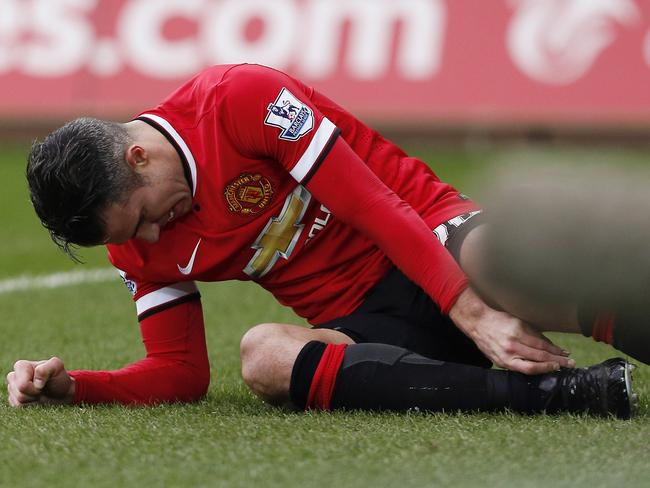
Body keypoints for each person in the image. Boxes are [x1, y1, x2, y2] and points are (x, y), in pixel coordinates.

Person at [8, 64, 642, 418]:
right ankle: (559, 395)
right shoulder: (135, 245)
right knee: (263, 355)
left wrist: (474, 315)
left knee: (497, 256)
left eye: (144, 216)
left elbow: (374, 206)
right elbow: (180, 372)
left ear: (140, 157)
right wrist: (78, 387)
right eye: (132, 237)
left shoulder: (238, 100)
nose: (148, 240)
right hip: (370, 319)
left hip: (432, 237)